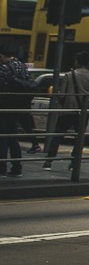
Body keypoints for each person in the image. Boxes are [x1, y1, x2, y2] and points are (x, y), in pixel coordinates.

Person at [43, 52, 89, 170]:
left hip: (68, 110)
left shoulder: (69, 75)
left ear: (77, 61)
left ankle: (49, 161)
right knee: (79, 138)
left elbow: (62, 94)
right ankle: (74, 163)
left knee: (57, 135)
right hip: (82, 113)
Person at [0, 45, 36, 176]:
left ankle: (1, 168)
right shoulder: (22, 66)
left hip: (4, 106)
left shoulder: (4, 68)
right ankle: (17, 168)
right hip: (19, 106)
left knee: (2, 137)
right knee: (13, 137)